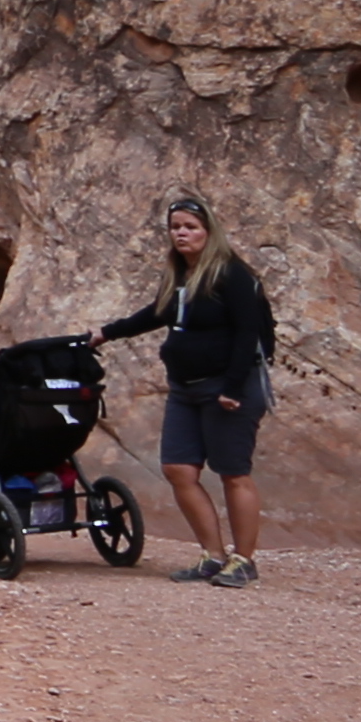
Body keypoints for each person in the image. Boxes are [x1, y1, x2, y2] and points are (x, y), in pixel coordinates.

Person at [99, 193, 278, 583]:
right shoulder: (180, 274)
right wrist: (105, 333)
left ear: (208, 231)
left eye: (190, 227)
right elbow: (157, 312)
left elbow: (248, 333)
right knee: (179, 469)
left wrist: (232, 387)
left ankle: (243, 560)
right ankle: (212, 555)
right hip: (185, 389)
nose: (182, 234)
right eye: (175, 227)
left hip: (229, 388)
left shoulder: (232, 275)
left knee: (233, 472)